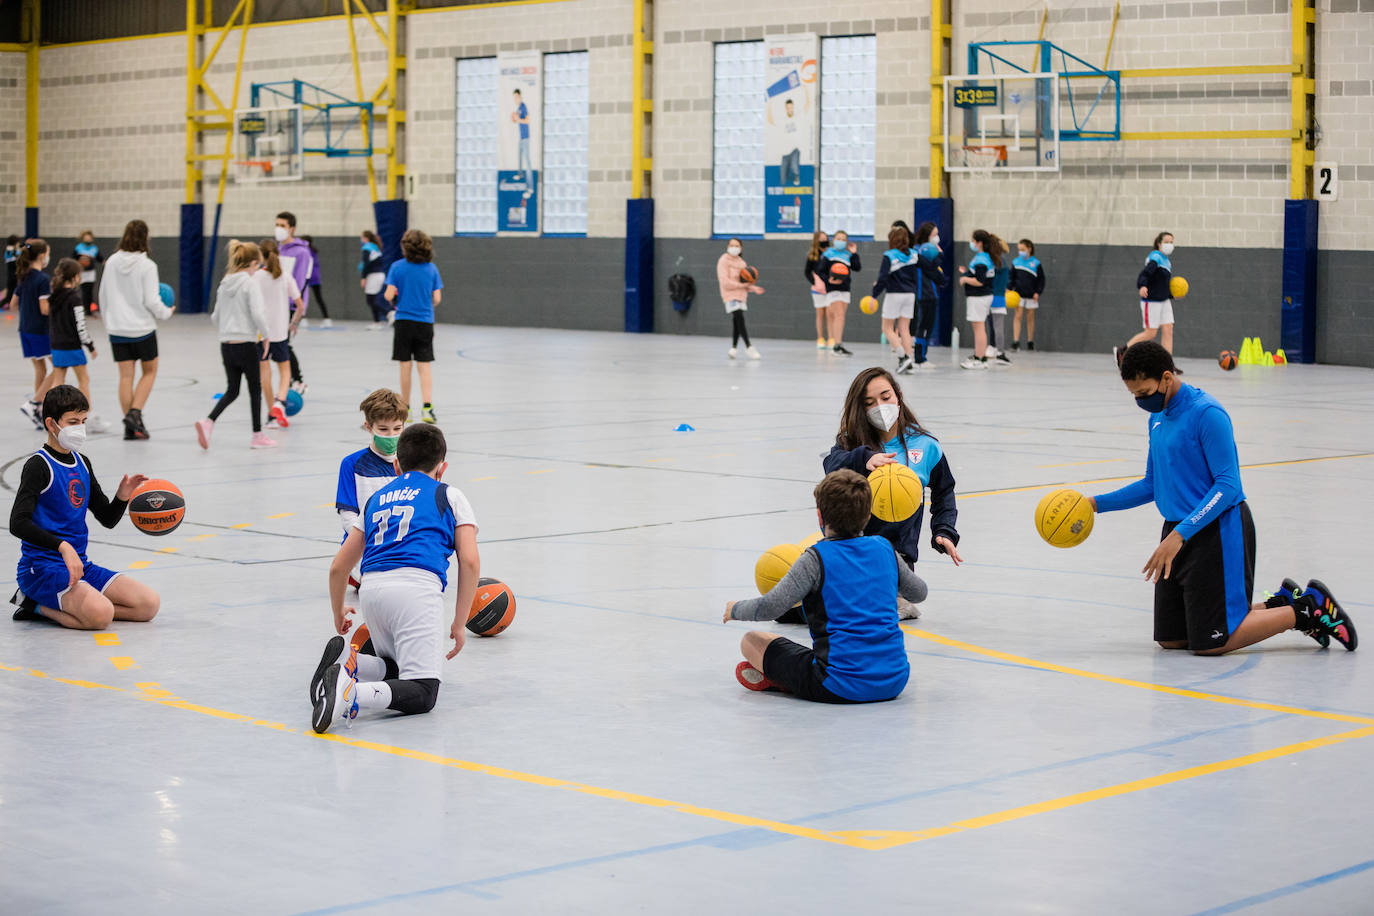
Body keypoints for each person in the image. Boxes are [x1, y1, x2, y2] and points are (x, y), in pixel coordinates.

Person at [1089, 342, 1356, 654]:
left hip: (1217, 530)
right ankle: (1280, 602)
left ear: (1166, 377)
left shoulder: (1207, 414)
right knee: (1172, 639)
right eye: (1134, 395)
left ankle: (1306, 610)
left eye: (1144, 392)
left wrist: (1179, 535)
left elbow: (1228, 485)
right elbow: (1153, 483)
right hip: (1177, 530)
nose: (1141, 401)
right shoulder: (1157, 419)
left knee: (1214, 643)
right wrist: (1095, 504)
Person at [312, 423, 480, 733]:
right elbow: (469, 561)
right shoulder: (448, 494)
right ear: (442, 468)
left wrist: (338, 612)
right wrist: (459, 623)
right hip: (416, 589)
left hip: (372, 590)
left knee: (396, 669)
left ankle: (351, 663)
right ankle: (350, 694)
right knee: (424, 691)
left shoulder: (376, 499)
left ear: (397, 465)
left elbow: (339, 567)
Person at [723, 469, 924, 703]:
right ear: (868, 515)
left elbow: (771, 607)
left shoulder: (815, 558)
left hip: (838, 685)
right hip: (894, 680)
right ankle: (784, 678)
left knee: (751, 641)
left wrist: (734, 609)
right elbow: (920, 593)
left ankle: (781, 680)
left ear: (820, 516)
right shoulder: (884, 548)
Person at [8, 385, 160, 630]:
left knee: (148, 605)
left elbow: (107, 519)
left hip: (79, 565)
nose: (80, 428)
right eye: (72, 421)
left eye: (83, 420)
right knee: (100, 616)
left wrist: (122, 496)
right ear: (51, 424)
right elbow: (18, 523)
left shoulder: (82, 463)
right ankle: (32, 603)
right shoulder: (38, 465)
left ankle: (84, 604)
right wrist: (63, 546)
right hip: (42, 568)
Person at [822, 366, 961, 618]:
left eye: (885, 397)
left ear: (898, 394)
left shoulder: (926, 445)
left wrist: (944, 530)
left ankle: (891, 599)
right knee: (821, 602)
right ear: (860, 409)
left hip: (896, 556)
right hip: (850, 548)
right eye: (869, 402)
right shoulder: (851, 443)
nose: (880, 406)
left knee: (879, 600)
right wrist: (864, 458)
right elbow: (830, 466)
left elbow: (944, 492)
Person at [195, 240, 275, 450]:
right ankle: (257, 435)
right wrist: (265, 335)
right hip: (246, 343)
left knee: (233, 389)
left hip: (226, 344)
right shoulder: (250, 283)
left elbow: (215, 316)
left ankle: (208, 421)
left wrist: (227, 331)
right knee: (255, 389)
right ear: (253, 263)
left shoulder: (225, 283)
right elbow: (258, 314)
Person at [98, 219, 173, 441]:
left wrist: (109, 321)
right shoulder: (147, 265)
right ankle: (135, 413)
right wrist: (166, 312)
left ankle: (130, 428)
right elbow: (151, 299)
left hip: (117, 329)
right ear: (145, 238)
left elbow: (103, 295)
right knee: (149, 371)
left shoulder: (111, 262)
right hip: (142, 328)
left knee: (125, 377)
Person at [384, 229, 443, 423]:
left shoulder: (397, 267)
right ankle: (427, 408)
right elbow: (437, 298)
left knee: (405, 365)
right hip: (425, 322)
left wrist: (398, 295)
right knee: (424, 366)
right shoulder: (431, 269)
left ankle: (405, 409)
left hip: (403, 322)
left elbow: (388, 295)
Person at [45, 258, 110, 433]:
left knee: (58, 381)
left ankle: (50, 416)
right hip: (72, 346)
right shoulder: (75, 298)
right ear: (75, 276)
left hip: (57, 345)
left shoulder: (54, 296)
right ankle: (86, 418)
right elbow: (80, 325)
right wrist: (90, 346)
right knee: (84, 381)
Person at [256, 238, 304, 430]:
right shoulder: (285, 276)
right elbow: (300, 305)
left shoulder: (255, 277)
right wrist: (294, 323)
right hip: (280, 333)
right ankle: (280, 401)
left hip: (261, 334)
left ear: (261, 255)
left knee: (265, 374)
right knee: (285, 372)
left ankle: (271, 415)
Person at [14, 239, 57, 429]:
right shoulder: (42, 279)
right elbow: (44, 309)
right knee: (59, 367)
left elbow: (13, 304)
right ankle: (34, 403)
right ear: (42, 255)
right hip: (40, 330)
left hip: (25, 329)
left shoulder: (24, 276)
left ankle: (38, 410)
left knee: (40, 369)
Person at [1117, 231, 1175, 365]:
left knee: (1168, 329)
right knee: (1150, 333)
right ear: (1159, 243)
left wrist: (1171, 295)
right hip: (1152, 300)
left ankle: (1167, 364)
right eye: (1166, 242)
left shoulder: (1166, 261)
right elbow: (1145, 273)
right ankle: (1123, 351)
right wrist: (1142, 285)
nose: (1169, 244)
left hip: (1164, 301)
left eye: (1171, 242)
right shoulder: (1156, 257)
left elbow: (1161, 284)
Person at [871, 224, 919, 375]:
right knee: (905, 328)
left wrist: (874, 294)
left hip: (894, 294)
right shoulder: (913, 254)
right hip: (910, 294)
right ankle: (910, 359)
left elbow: (883, 278)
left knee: (887, 328)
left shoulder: (889, 255)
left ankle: (902, 356)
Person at [957, 229, 1002, 370]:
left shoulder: (982, 259)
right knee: (979, 327)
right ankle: (979, 355)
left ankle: (980, 359)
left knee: (979, 328)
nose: (972, 243)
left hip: (979, 297)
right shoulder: (985, 257)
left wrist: (965, 279)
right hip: (983, 297)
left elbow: (980, 281)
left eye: (973, 240)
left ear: (979, 242)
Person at [715, 237, 763, 360]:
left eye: (737, 246)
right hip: (730, 294)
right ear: (727, 247)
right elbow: (725, 282)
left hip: (741, 294)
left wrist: (754, 288)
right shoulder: (723, 260)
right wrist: (742, 286)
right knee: (739, 317)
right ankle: (749, 347)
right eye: (731, 245)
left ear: (740, 248)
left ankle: (734, 348)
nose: (734, 248)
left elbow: (745, 282)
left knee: (736, 321)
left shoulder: (742, 263)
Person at [818, 230, 859, 356]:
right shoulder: (828, 254)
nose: (840, 241)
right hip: (833, 289)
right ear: (833, 240)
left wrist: (854, 254)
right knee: (839, 315)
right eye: (838, 238)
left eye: (843, 239)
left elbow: (857, 267)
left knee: (841, 317)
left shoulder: (848, 255)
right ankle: (836, 345)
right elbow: (820, 270)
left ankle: (838, 344)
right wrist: (828, 280)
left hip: (845, 289)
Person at [911, 222, 945, 371]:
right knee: (922, 326)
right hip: (922, 294)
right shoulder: (917, 252)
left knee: (928, 327)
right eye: (934, 235)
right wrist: (940, 255)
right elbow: (930, 267)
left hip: (932, 293)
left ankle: (923, 357)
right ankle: (919, 358)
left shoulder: (931, 251)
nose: (937, 238)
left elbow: (935, 271)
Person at [1009, 238, 1046, 351]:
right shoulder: (1016, 262)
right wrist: (1009, 289)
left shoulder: (1036, 263)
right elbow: (1011, 277)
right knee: (1018, 316)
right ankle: (1016, 341)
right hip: (1018, 295)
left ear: (1029, 249)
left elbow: (1041, 280)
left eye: (1023, 249)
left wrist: (1037, 292)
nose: (1021, 252)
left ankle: (1030, 341)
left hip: (1031, 295)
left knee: (1030, 318)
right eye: (1019, 249)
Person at [985, 241, 1012, 366]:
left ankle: (1000, 352)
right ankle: (996, 349)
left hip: (996, 296)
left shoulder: (998, 262)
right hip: (997, 296)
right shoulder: (1001, 261)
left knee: (997, 326)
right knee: (995, 326)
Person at [298, 234, 332, 328]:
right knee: (319, 298)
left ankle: (303, 319)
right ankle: (327, 319)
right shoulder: (313, 250)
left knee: (302, 298)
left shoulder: (305, 251)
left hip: (307, 277)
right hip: (316, 277)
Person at [803, 230, 830, 349]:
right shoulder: (812, 255)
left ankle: (832, 338)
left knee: (830, 314)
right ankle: (820, 338)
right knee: (820, 314)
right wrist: (815, 282)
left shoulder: (831, 253)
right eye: (821, 240)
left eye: (826, 239)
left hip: (830, 288)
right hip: (818, 289)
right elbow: (806, 272)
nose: (824, 241)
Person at [359, 230, 388, 327]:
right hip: (379, 275)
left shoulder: (367, 248)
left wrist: (363, 278)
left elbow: (366, 264)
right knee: (372, 299)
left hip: (373, 276)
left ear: (366, 238)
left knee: (371, 300)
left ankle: (388, 313)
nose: (361, 240)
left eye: (362, 238)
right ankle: (377, 321)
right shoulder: (375, 248)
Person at [73, 230, 103, 318]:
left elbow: (100, 258)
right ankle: (84, 309)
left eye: (89, 237)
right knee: (83, 291)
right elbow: (73, 258)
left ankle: (89, 310)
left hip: (91, 272)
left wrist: (105, 262)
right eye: (86, 237)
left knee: (89, 291)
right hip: (82, 272)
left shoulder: (94, 248)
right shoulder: (79, 248)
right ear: (83, 238)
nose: (88, 238)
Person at [512, 88, 531, 180]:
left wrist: (518, 119)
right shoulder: (519, 108)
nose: (515, 99)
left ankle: (530, 188)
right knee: (519, 157)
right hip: (521, 137)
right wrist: (515, 118)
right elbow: (518, 120)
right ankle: (520, 174)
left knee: (527, 162)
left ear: (519, 96)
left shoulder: (523, 106)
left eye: (516, 97)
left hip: (525, 137)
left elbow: (527, 120)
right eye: (514, 98)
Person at [1, 234, 21, 309]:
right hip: (12, 277)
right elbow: (20, 252)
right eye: (18, 243)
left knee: (11, 295)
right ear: (15, 243)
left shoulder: (11, 251)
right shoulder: (10, 251)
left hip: (12, 276)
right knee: (9, 296)